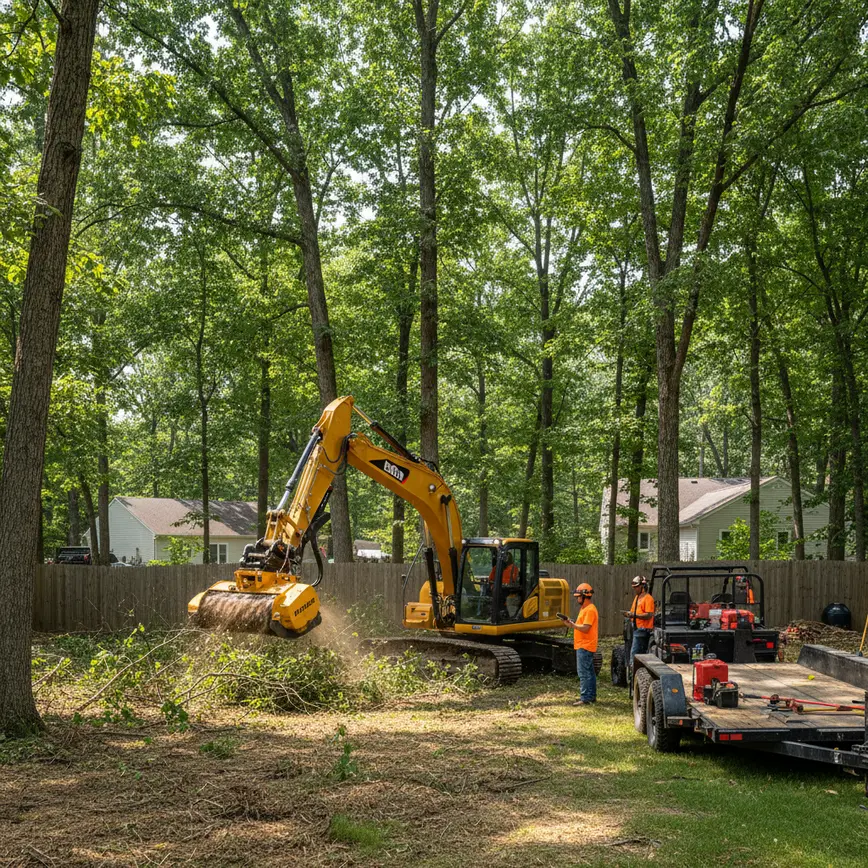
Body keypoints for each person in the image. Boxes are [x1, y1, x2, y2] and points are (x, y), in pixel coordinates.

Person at [563, 582, 598, 705]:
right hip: (584, 644)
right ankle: (590, 696)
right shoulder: (584, 609)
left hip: (585, 645)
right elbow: (581, 626)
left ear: (584, 596)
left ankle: (586, 698)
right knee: (589, 672)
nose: (577, 599)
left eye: (578, 596)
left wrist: (573, 625)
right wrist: (571, 624)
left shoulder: (590, 610)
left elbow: (586, 628)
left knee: (584, 673)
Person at [624, 575, 655, 665]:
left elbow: (649, 615)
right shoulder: (637, 598)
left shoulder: (648, 598)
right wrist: (629, 614)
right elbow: (633, 611)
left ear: (643, 586)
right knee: (633, 651)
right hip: (636, 627)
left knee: (635, 653)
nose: (635, 589)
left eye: (636, 587)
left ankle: (633, 669)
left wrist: (634, 615)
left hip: (643, 629)